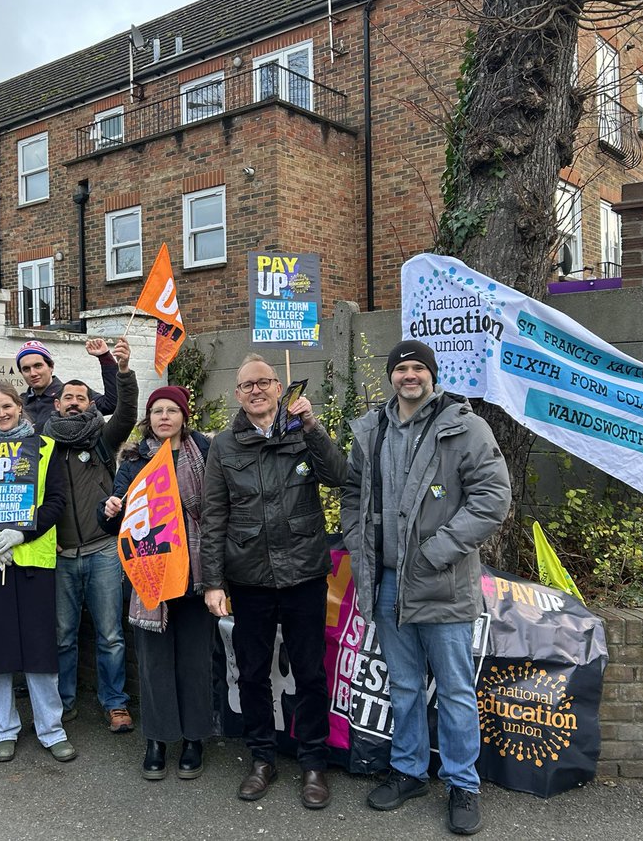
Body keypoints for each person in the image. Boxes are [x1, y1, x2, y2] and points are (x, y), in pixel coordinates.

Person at [341, 340, 510, 836]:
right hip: (388, 582)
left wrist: (438, 551)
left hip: (444, 581)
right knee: (405, 684)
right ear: (391, 376)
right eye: (401, 369)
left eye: (418, 368)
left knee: (456, 689)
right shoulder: (371, 430)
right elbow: (352, 493)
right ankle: (409, 770)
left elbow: (493, 498)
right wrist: (358, 543)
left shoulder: (465, 427)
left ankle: (463, 784)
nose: (409, 376)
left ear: (432, 376)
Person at [200, 354, 347, 810]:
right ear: (238, 394)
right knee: (252, 674)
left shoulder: (303, 430)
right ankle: (261, 758)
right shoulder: (224, 446)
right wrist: (213, 582)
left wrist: (315, 429)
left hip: (303, 573)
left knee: (309, 673)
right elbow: (215, 515)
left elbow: (339, 476)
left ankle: (314, 762)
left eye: (264, 382)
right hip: (250, 579)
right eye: (247, 385)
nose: (257, 390)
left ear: (279, 387)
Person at [99, 385, 214, 780]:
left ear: (184, 416)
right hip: (150, 574)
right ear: (149, 419)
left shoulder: (207, 454)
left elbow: (219, 510)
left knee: (195, 662)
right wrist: (111, 508)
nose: (164, 416)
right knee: (154, 664)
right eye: (157, 411)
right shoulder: (132, 460)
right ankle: (158, 739)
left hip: (196, 574)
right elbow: (114, 520)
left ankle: (195, 738)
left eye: (172, 410)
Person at [0, 383, 73, 763]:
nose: (2, 413)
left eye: (8, 406)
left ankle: (51, 729)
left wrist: (23, 530)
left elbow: (56, 502)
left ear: (20, 408)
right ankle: (3, 728)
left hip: (33, 561)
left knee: (39, 651)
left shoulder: (45, 449)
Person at [44, 337, 137, 732]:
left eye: (82, 397)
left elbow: (129, 413)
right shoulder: (42, 443)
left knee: (111, 635)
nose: (75, 402)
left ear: (91, 402)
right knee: (62, 637)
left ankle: (115, 704)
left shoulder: (102, 438)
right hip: (61, 554)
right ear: (57, 403)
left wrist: (124, 371)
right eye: (69, 396)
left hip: (102, 551)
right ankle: (63, 702)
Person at [16, 338, 119, 431]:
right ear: (21, 373)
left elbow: (111, 404)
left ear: (51, 366)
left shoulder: (73, 395)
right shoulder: (18, 403)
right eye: (26, 369)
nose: (33, 373)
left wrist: (105, 357)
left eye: (38, 366)